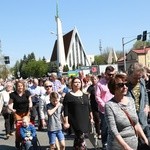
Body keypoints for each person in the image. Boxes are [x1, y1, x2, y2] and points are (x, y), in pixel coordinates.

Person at [105, 73, 148, 150]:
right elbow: (113, 131)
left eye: (126, 84)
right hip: (117, 146)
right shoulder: (109, 105)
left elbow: (136, 123)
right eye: (121, 85)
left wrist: (145, 139)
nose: (125, 87)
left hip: (134, 145)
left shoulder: (131, 100)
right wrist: (126, 147)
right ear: (114, 88)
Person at [63, 77, 94, 150]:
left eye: (79, 82)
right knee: (80, 136)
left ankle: (77, 148)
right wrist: (66, 122)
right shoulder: (68, 95)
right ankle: (83, 148)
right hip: (75, 120)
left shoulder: (85, 94)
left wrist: (91, 118)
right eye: (75, 82)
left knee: (78, 139)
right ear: (72, 84)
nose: (77, 84)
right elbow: (66, 110)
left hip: (85, 119)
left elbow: (89, 107)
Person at [127, 63, 150, 144]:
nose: (138, 80)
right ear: (128, 75)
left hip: (143, 119)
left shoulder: (142, 82)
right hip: (130, 123)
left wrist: (147, 105)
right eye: (135, 78)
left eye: (139, 78)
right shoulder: (123, 86)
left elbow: (145, 94)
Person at [95, 65, 115, 150]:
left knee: (114, 127)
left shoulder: (115, 82)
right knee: (105, 128)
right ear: (105, 73)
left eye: (112, 74)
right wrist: (105, 105)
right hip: (104, 110)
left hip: (115, 107)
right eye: (109, 74)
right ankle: (105, 144)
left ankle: (114, 143)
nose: (111, 76)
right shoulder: (99, 83)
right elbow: (97, 97)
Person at [8, 80, 32, 149]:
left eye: (21, 86)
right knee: (19, 129)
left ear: (23, 86)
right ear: (16, 87)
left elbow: (30, 101)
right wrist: (12, 109)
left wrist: (30, 106)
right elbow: (9, 105)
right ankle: (18, 142)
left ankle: (26, 142)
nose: (20, 87)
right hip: (17, 114)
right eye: (18, 86)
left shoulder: (27, 93)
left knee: (27, 127)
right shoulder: (13, 94)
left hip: (26, 113)